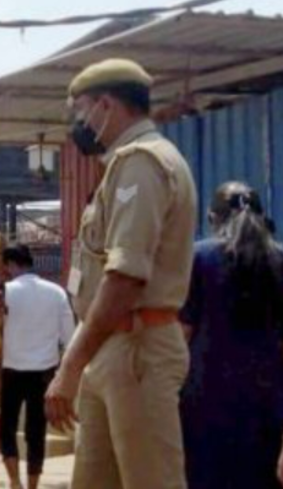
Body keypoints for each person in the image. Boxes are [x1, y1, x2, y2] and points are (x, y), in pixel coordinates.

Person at [44, 58, 197, 489]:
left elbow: (125, 278)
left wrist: (70, 366)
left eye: (81, 110)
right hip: (111, 347)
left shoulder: (142, 162)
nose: (78, 123)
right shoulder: (120, 167)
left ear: (106, 106)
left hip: (136, 349)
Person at [179, 181, 283, 489]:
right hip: (268, 412)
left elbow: (180, 339)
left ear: (213, 219)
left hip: (203, 410)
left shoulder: (198, 258)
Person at [0, 244, 75, 489]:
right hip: (43, 373)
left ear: (10, 264)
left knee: (6, 428)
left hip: (10, 369)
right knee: (36, 432)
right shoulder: (56, 293)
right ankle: (33, 486)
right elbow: (69, 336)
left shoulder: (5, 292)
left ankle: (14, 482)